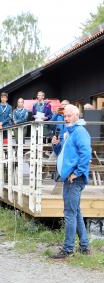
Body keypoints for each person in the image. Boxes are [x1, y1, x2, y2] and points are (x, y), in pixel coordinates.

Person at [51, 104, 91, 259]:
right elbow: (62, 153)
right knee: (76, 212)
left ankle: (67, 250)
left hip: (74, 179)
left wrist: (77, 173)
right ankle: (84, 247)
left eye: (68, 116)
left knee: (69, 213)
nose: (66, 118)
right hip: (70, 178)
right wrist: (56, 145)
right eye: (65, 116)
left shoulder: (80, 132)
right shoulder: (70, 131)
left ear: (77, 115)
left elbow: (86, 155)